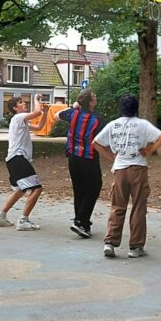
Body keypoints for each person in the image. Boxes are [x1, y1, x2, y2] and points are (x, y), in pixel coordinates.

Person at [92, 95, 161, 259]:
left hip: (120, 168)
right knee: (139, 207)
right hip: (138, 167)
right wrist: (149, 150)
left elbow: (96, 143)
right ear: (136, 108)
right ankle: (135, 246)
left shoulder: (114, 125)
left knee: (117, 206)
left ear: (121, 108)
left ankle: (110, 243)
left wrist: (111, 156)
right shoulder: (142, 125)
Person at [0, 95, 49, 230]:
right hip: (18, 159)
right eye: (20, 102)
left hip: (13, 160)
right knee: (37, 188)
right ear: (14, 108)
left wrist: (46, 113)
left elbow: (40, 126)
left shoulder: (21, 122)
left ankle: (0, 217)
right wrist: (37, 100)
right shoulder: (18, 117)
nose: (24, 103)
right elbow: (36, 112)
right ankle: (23, 220)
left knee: (19, 190)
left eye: (24, 102)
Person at [58, 90, 104, 238]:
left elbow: (56, 115)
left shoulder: (73, 114)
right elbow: (102, 139)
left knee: (79, 190)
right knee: (94, 188)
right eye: (94, 96)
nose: (96, 97)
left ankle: (84, 225)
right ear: (90, 102)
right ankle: (79, 221)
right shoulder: (97, 119)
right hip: (89, 158)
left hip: (73, 157)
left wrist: (75, 106)